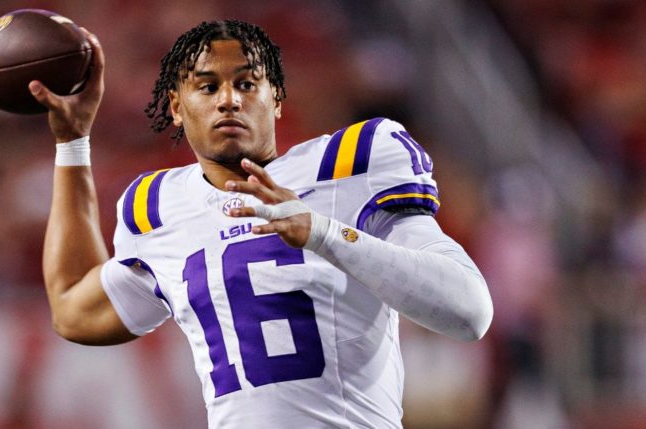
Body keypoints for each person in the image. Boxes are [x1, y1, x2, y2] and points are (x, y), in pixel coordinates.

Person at [28, 20, 493, 428]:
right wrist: (72, 143)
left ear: (277, 100)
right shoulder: (157, 206)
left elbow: (469, 310)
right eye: (207, 87)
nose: (228, 100)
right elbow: (74, 309)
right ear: (175, 106)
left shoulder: (351, 165)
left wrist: (321, 232)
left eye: (248, 84)